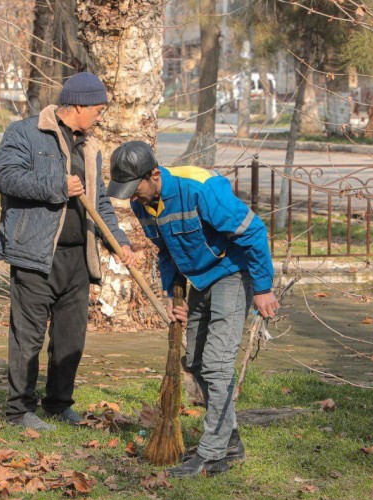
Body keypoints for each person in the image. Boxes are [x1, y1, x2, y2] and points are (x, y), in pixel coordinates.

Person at [107, 141, 279, 476]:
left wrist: (263, 288)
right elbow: (167, 252)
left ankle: (213, 455)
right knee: (198, 361)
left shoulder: (200, 189)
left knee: (217, 363)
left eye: (135, 187)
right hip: (200, 281)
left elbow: (254, 230)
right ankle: (229, 442)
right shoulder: (144, 205)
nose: (132, 196)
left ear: (154, 175)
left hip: (232, 273)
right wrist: (176, 297)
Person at [0, 72, 134, 430]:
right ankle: (19, 411)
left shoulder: (88, 147)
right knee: (29, 336)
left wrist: (118, 242)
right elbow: (6, 177)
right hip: (36, 253)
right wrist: (57, 185)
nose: (100, 117)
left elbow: (100, 201)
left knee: (70, 336)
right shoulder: (25, 132)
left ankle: (58, 404)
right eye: (98, 110)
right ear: (80, 106)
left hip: (77, 257)